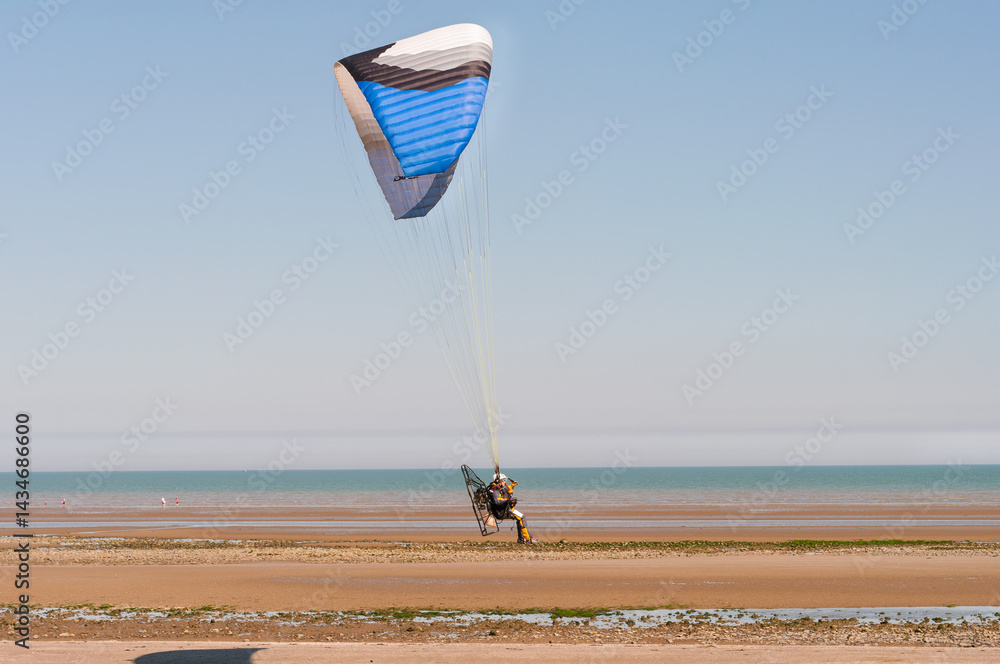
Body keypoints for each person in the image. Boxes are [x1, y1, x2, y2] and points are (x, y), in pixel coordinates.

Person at [487, 472, 532, 544]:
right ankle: (528, 539)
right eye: (503, 481)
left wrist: (511, 486)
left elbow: (504, 491)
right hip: (503, 512)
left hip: (503, 510)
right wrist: (508, 497)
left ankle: (521, 539)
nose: (505, 482)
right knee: (522, 517)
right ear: (499, 481)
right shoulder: (496, 490)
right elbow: (497, 501)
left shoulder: (496, 488)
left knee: (519, 518)